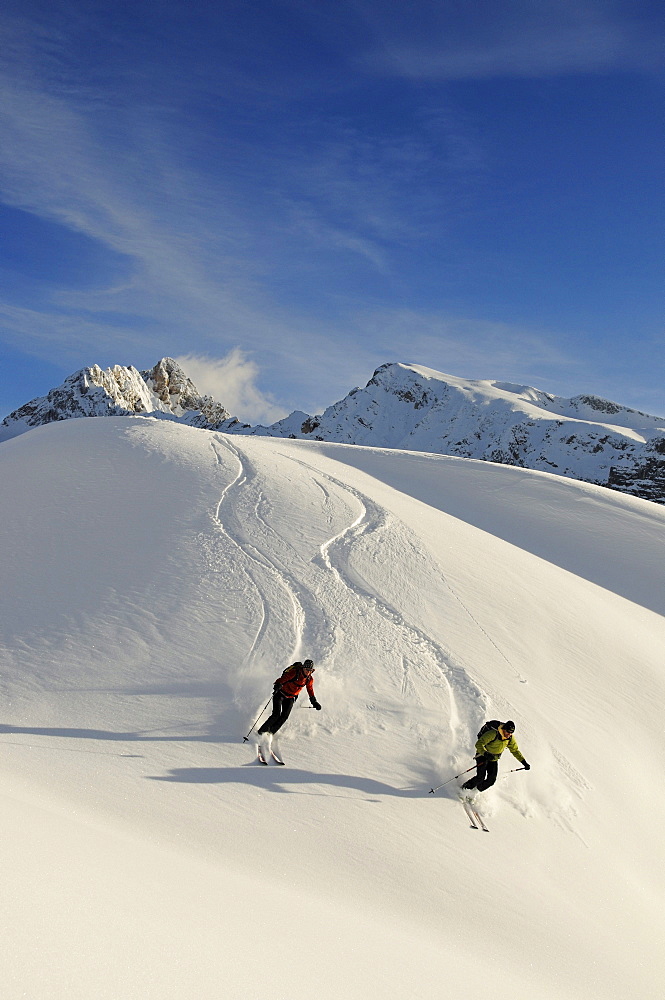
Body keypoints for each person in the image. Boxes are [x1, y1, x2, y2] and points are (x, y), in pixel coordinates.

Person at [257, 659, 321, 738]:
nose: (308, 672)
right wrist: (278, 685)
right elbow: (282, 679)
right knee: (276, 714)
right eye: (306, 669)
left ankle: (270, 733)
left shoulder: (309, 679)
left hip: (290, 697)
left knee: (284, 716)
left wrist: (314, 702)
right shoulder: (295, 673)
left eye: (310, 670)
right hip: (280, 694)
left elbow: (310, 690)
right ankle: (261, 732)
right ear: (303, 668)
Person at [462, 720, 530, 792]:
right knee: (480, 777)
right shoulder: (493, 734)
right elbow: (479, 744)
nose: (509, 734)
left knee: (491, 780)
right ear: (504, 729)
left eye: (511, 733)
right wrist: (485, 753)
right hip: (482, 756)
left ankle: (475, 791)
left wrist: (524, 762)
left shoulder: (510, 738)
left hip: (493, 759)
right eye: (508, 732)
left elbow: (515, 751)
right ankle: (464, 789)